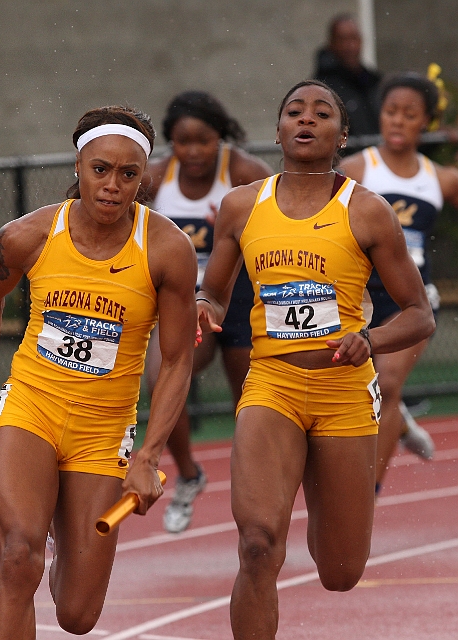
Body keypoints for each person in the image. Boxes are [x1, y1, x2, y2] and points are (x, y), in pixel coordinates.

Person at [0, 106, 198, 638]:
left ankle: (64, 545)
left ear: (142, 179)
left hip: (105, 431)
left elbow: (176, 360)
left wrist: (148, 456)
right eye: (100, 169)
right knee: (18, 556)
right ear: (78, 167)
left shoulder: (167, 248)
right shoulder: (26, 235)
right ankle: (38, 540)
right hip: (31, 405)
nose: (112, 185)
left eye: (128, 175)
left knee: (79, 616)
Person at [196, 80, 435, 639]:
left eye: (322, 113)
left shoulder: (368, 212)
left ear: (342, 135)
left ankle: (319, 490)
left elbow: (418, 313)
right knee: (256, 546)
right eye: (294, 112)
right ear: (278, 129)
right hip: (271, 385)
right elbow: (215, 291)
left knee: (341, 571)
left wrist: (371, 341)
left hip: (343, 391)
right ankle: (279, 502)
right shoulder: (240, 206)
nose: (306, 119)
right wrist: (203, 307)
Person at [142, 91, 272, 533]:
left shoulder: (245, 173)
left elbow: (284, 223)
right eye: (183, 141)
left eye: (204, 140)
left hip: (240, 298)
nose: (194, 151)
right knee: (162, 381)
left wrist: (241, 228)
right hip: (183, 301)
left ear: (221, 135)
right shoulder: (156, 179)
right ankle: (189, 475)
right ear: (171, 143)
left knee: (251, 405)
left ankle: (260, 493)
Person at [340, 72, 458, 492]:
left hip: (411, 297)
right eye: (391, 112)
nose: (397, 122)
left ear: (425, 123)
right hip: (361, 295)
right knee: (359, 383)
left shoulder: (440, 178)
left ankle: (367, 491)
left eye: (410, 115)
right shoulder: (357, 169)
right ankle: (400, 420)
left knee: (387, 384)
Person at [313, 13, 381, 140]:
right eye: (343, 39)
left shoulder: (373, 83)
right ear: (331, 43)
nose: (350, 46)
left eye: (354, 38)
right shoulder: (321, 88)